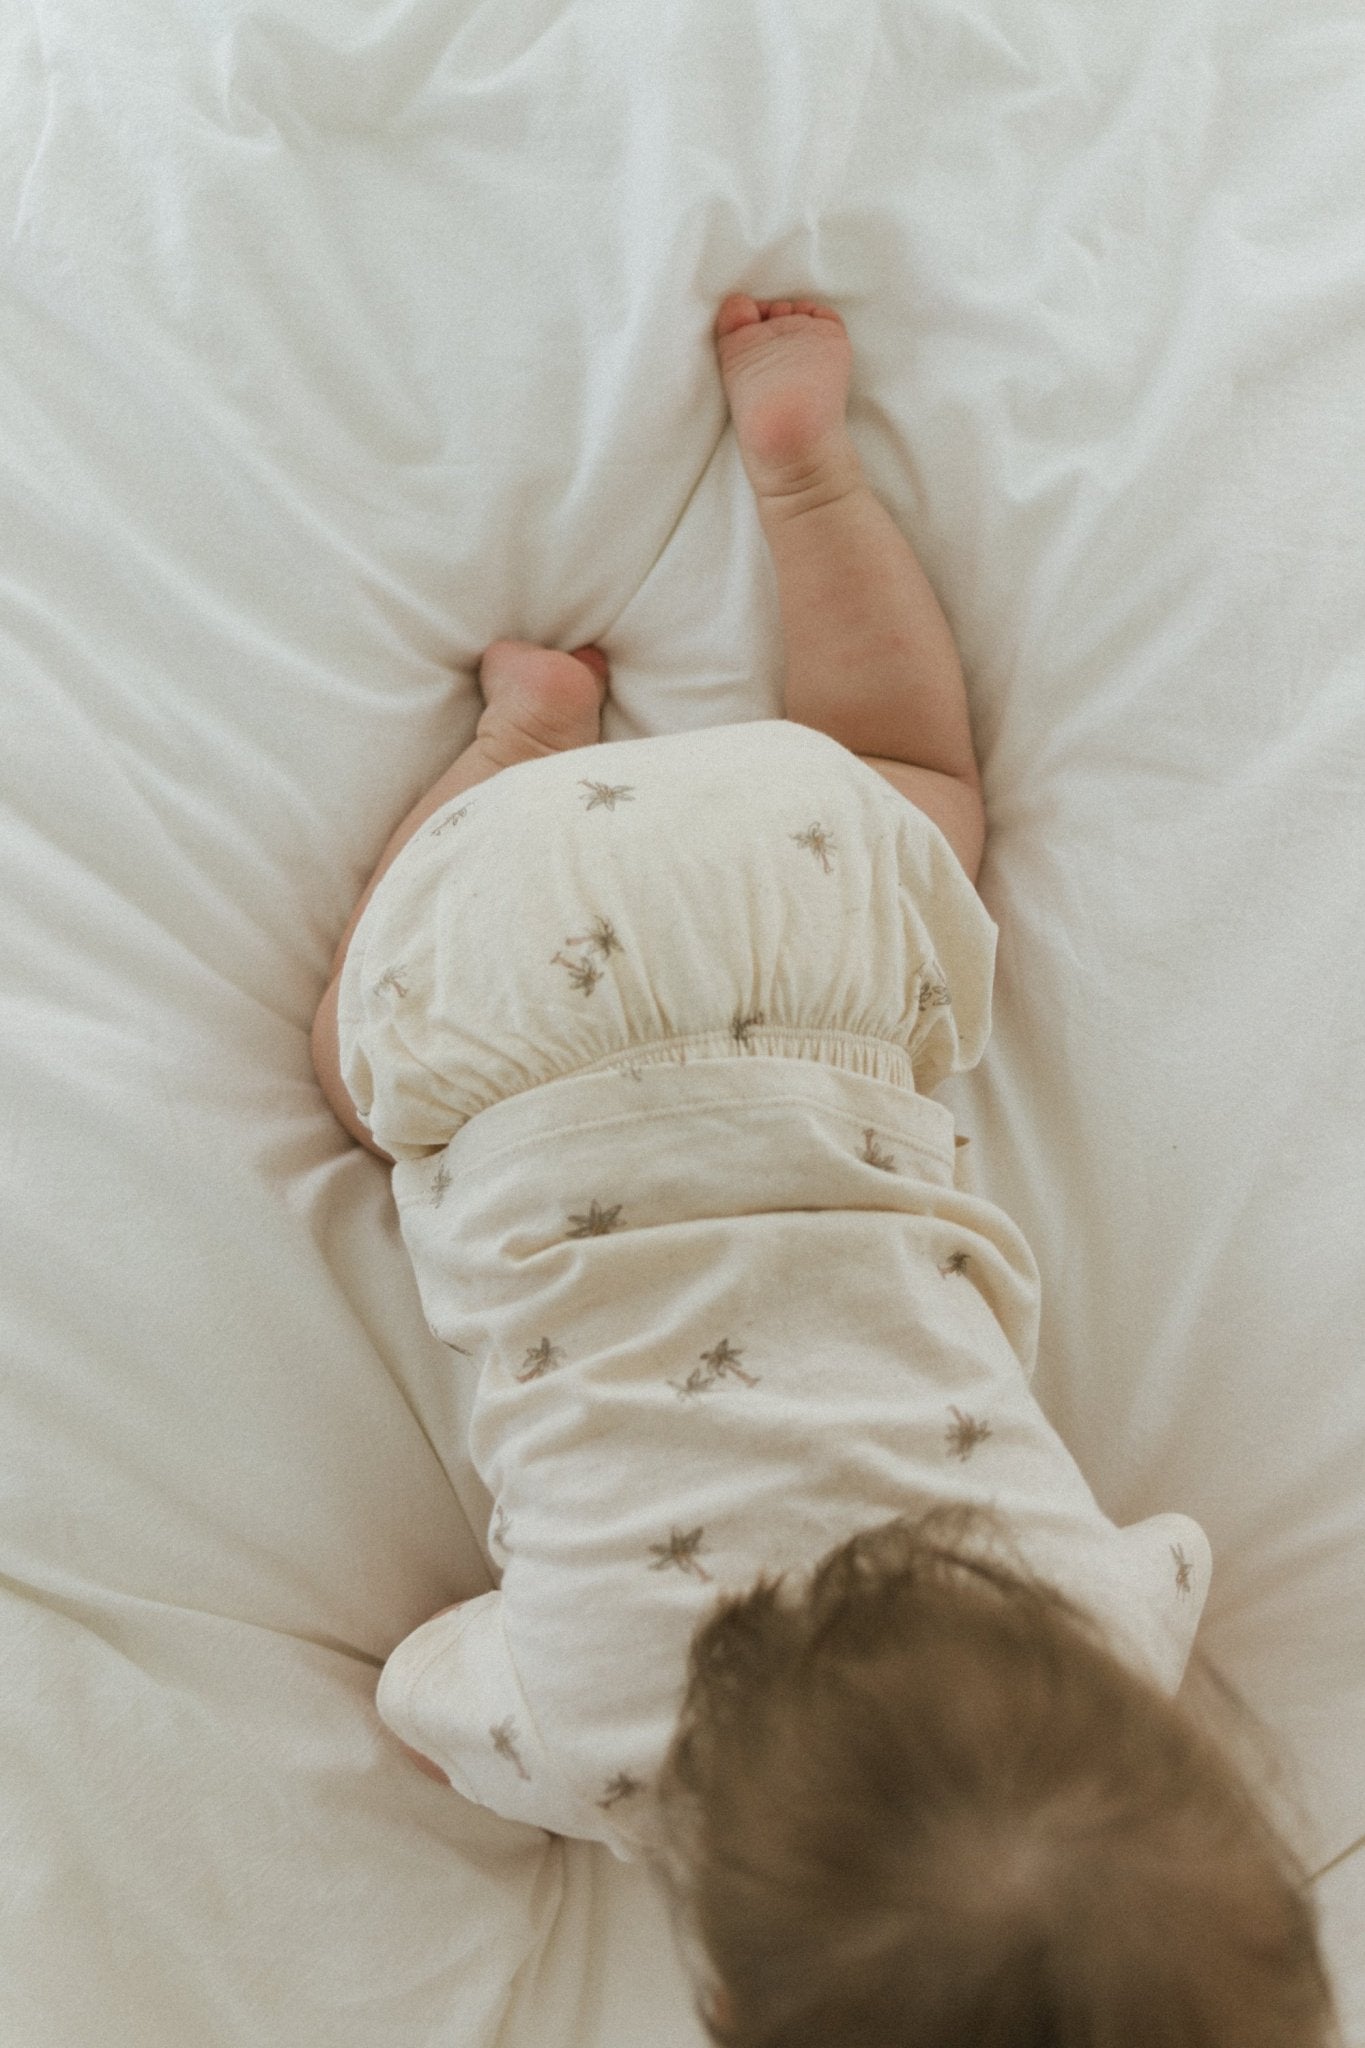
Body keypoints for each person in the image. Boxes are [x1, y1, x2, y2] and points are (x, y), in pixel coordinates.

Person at [310, 295, 1338, 2048]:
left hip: (807, 927)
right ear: (724, 1995)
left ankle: (799, 476)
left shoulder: (1102, 1625)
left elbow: (1169, 1554)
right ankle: (515, 745)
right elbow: (423, 1695)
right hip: (503, 983)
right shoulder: (602, 1738)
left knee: (918, 779)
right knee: (354, 1075)